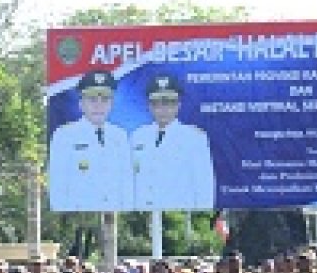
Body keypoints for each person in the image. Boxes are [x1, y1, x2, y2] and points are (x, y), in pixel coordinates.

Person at [48, 70, 134, 212]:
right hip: (79, 216)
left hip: (114, 216)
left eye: (105, 99)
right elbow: (58, 187)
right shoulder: (64, 136)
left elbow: (127, 184)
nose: (98, 105)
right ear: (81, 104)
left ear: (111, 104)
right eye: (92, 99)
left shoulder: (120, 136)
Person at [130, 73, 216, 211]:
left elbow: (204, 188)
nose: (163, 109)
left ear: (178, 105)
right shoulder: (137, 136)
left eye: (169, 103)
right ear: (149, 106)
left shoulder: (194, 138)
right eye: (157, 103)